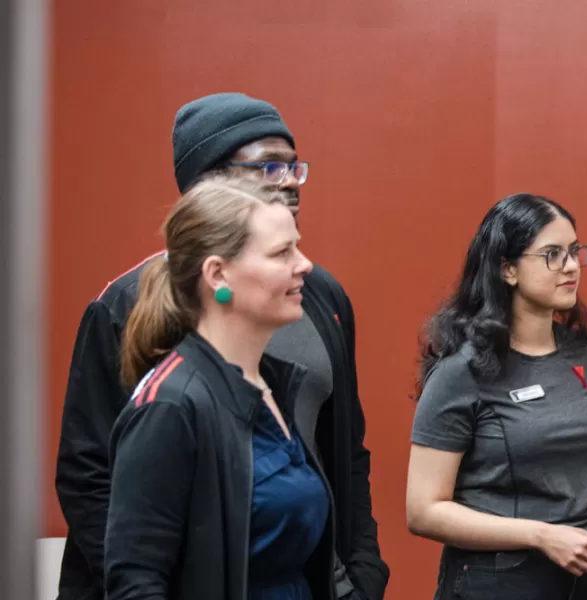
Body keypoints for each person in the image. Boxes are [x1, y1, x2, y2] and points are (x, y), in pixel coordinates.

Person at [53, 93, 387, 600]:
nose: (290, 182)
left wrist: (362, 571)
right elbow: (90, 478)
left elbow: (345, 448)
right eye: (269, 166)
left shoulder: (320, 298)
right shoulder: (125, 309)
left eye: (294, 166)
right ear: (206, 185)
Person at [405, 193, 587, 600]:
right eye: (552, 254)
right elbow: (423, 511)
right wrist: (542, 536)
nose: (572, 266)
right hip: (499, 583)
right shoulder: (463, 371)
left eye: (575, 251)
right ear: (507, 269)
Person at [105, 175, 330, 599]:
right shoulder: (170, 406)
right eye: (283, 252)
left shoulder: (272, 385)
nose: (305, 264)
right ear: (218, 274)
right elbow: (136, 585)